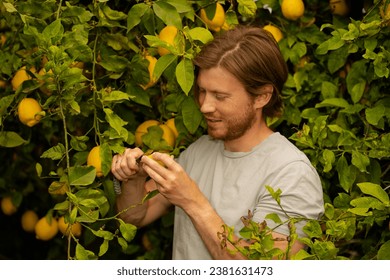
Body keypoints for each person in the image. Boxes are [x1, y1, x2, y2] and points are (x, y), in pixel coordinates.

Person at [111, 25, 324, 260]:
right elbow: (133, 217)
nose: (204, 106)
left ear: (262, 96)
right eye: (202, 91)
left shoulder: (291, 174)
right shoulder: (199, 150)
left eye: (220, 96)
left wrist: (192, 200)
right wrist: (133, 180)